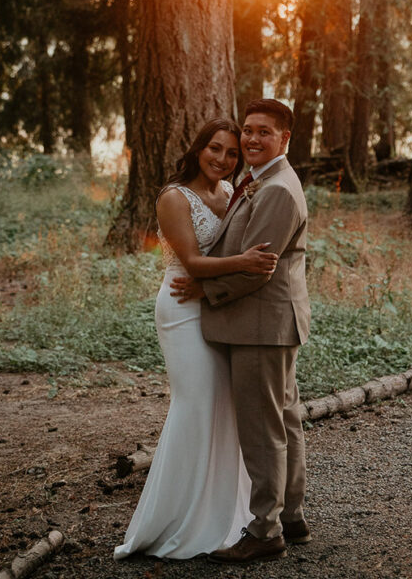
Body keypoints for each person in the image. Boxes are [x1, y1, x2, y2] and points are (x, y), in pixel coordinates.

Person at [114, 117, 278, 561]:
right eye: (215, 149)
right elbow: (190, 260)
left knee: (224, 408)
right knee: (195, 405)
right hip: (182, 305)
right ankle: (172, 519)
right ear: (198, 147)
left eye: (231, 154)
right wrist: (245, 262)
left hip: (215, 306)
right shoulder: (173, 197)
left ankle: (223, 514)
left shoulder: (228, 192)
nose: (222, 160)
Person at [171, 97, 310, 563]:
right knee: (285, 418)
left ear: (284, 139)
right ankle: (291, 515)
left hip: (260, 324)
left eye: (263, 132)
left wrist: (205, 289)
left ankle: (265, 530)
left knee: (262, 428)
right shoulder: (258, 180)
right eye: (248, 130)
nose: (251, 138)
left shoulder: (276, 189)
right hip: (269, 321)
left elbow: (257, 267)